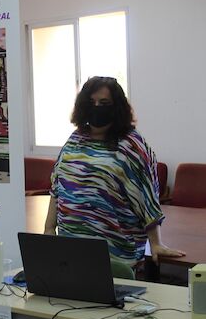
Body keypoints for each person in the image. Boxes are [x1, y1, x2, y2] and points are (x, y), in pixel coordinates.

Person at [45, 76, 184, 268]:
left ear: (116, 107)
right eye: (91, 102)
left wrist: (156, 243)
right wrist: (49, 229)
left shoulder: (131, 144)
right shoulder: (75, 139)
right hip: (70, 250)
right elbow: (56, 188)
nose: (96, 107)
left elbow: (147, 196)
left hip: (115, 255)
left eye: (104, 103)